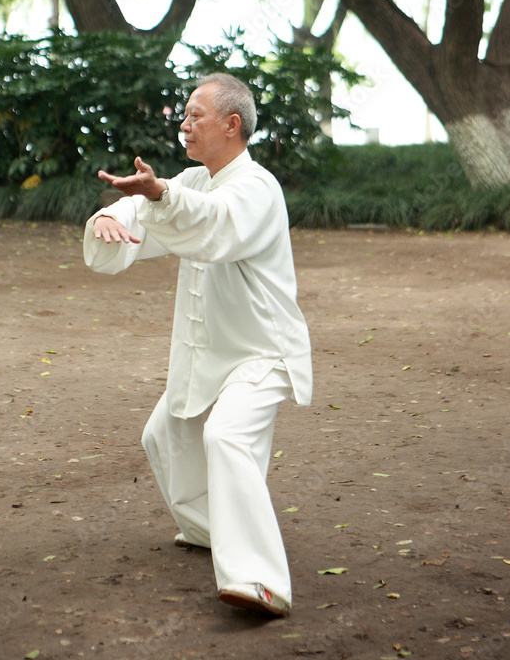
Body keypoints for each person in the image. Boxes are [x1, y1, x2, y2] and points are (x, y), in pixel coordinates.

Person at [83, 73, 313, 617]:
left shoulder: (256, 187)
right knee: (162, 435)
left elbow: (212, 225)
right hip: (212, 355)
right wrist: (109, 216)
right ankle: (212, 529)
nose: (184, 124)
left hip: (261, 352)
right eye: (183, 115)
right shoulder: (193, 180)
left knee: (228, 437)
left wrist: (161, 194)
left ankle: (259, 581)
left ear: (231, 125)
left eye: (195, 115)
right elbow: (146, 213)